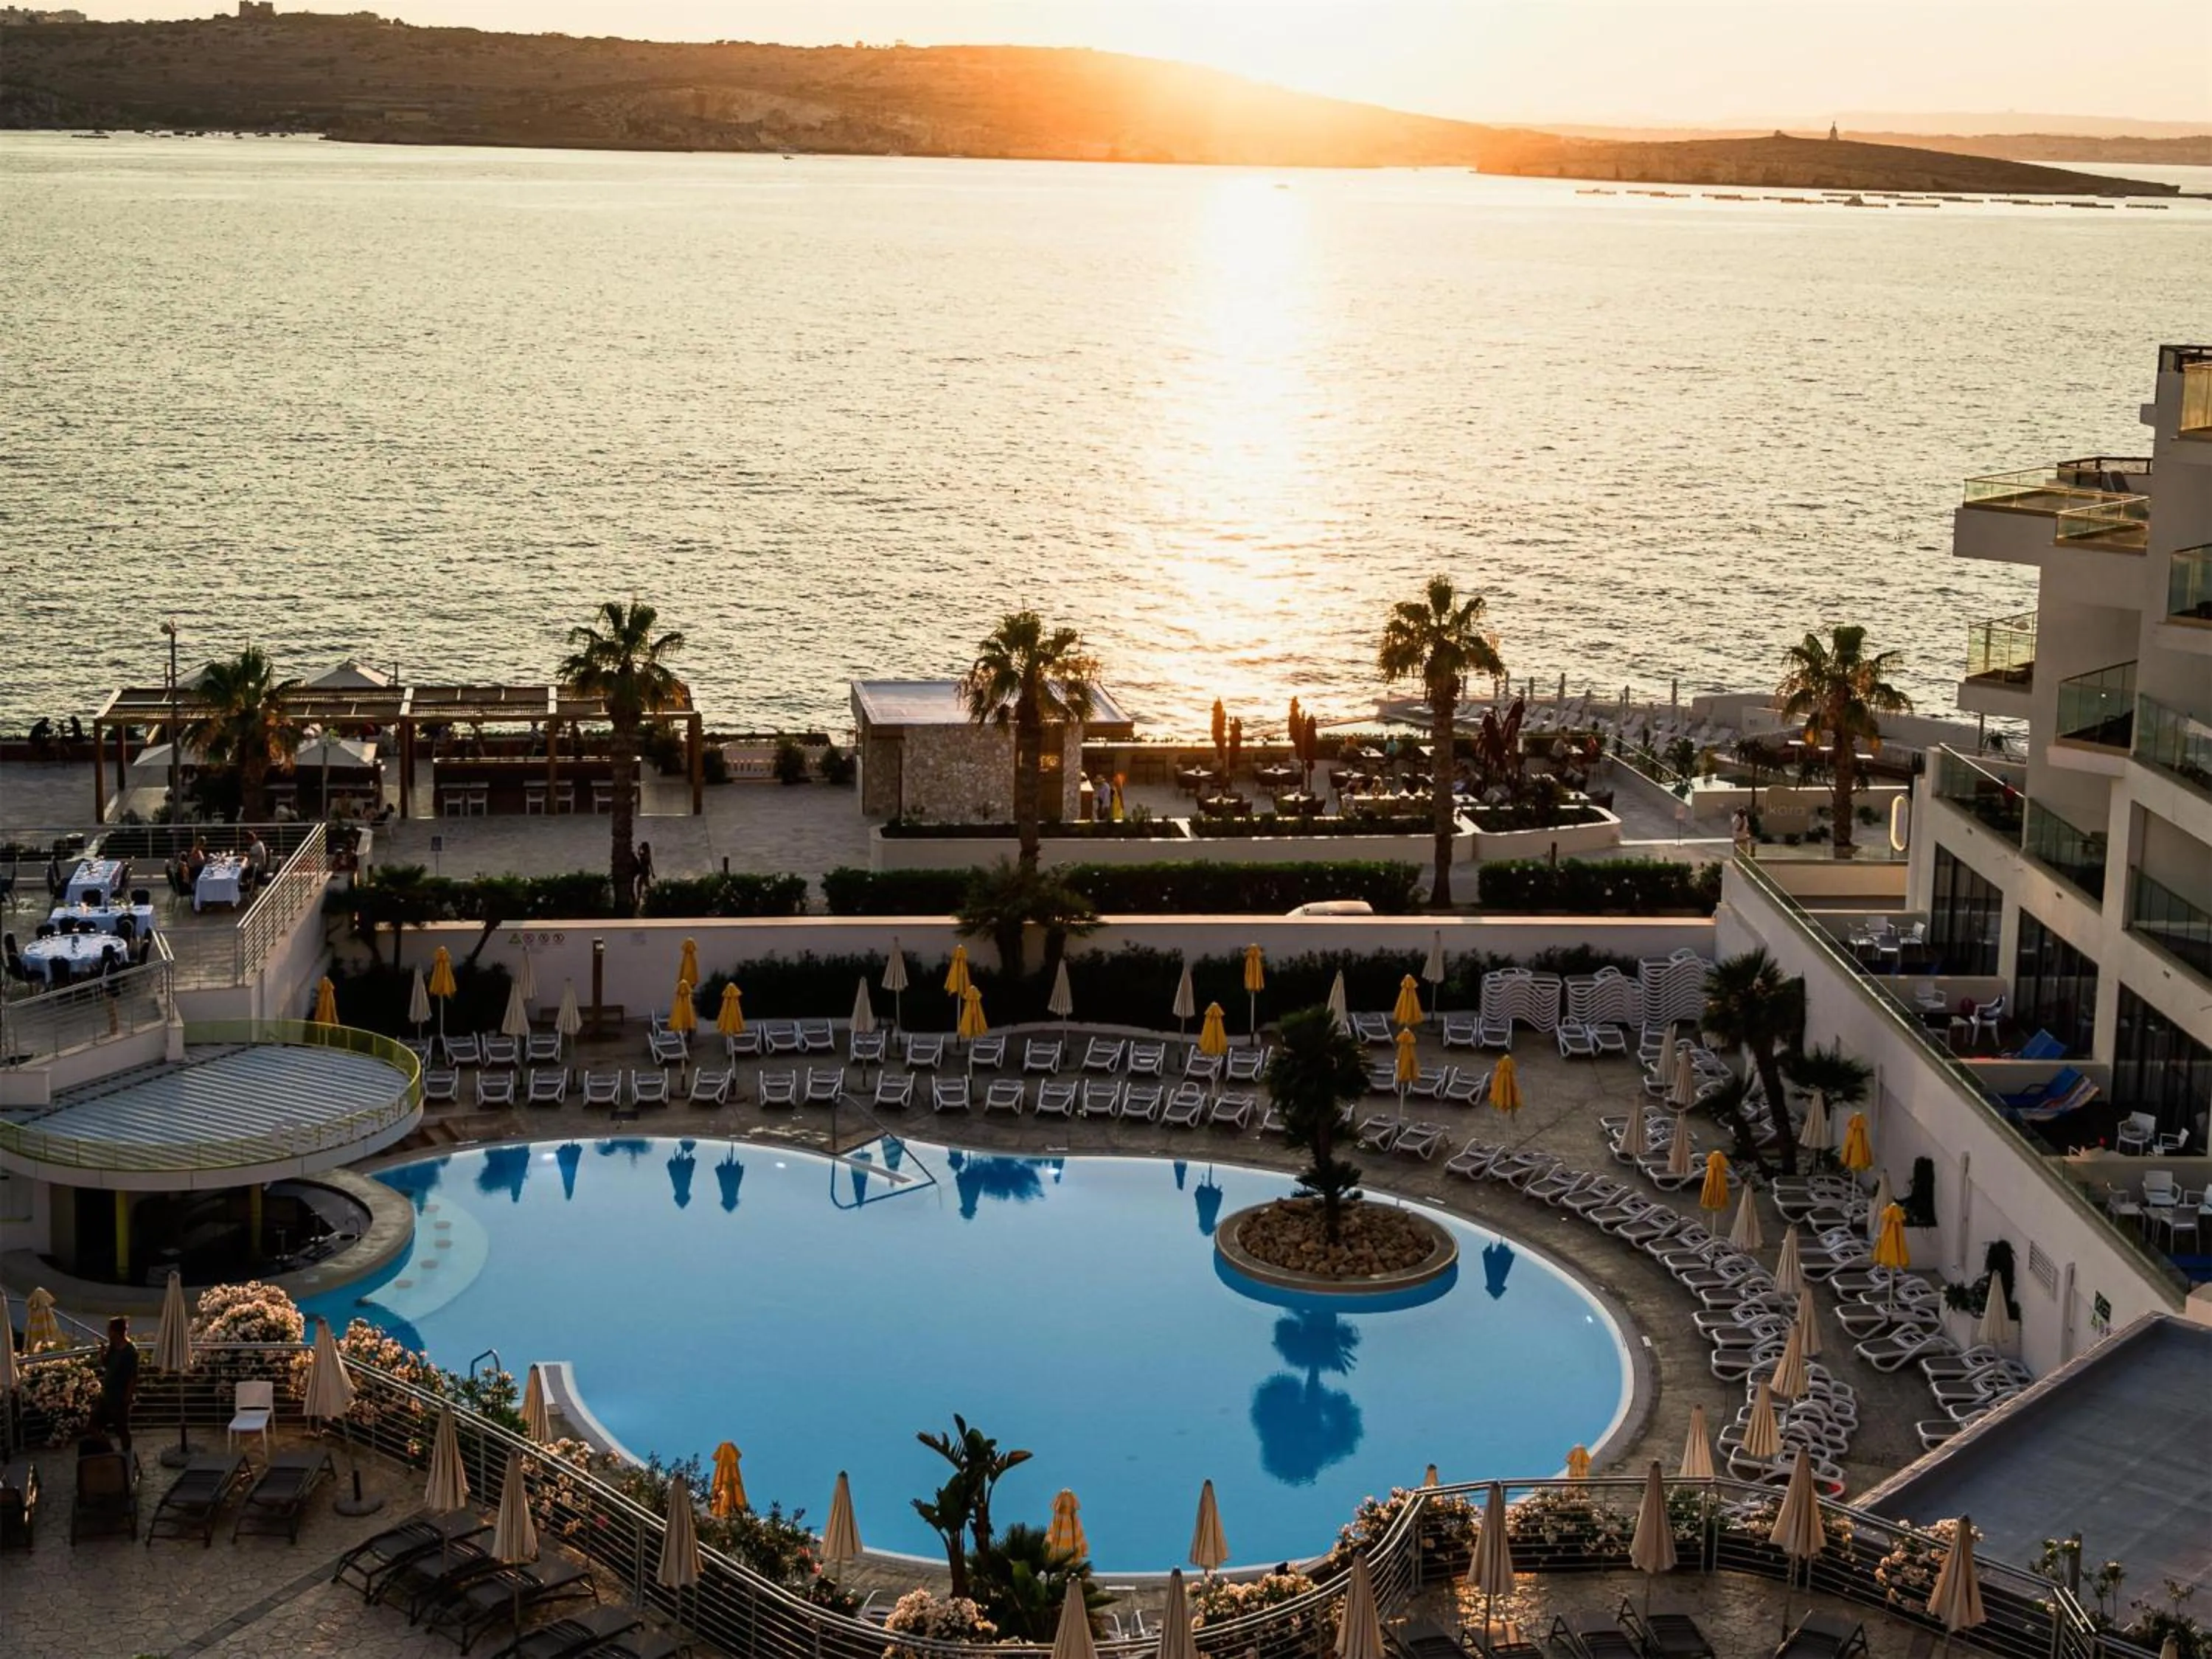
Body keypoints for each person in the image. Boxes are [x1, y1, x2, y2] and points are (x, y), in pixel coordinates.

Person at [98, 1316, 138, 1455]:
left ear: (116, 1332)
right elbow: (106, 1365)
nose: (108, 1332)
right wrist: (102, 1354)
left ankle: (127, 1457)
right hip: (106, 1395)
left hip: (120, 1398)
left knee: (122, 1430)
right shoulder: (113, 1347)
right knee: (93, 1426)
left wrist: (127, 1398)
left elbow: (133, 1377)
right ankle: (111, 1454)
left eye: (109, 1330)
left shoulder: (130, 1352)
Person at [633, 841, 655, 905]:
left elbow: (649, 864)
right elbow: (640, 855)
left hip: (644, 872)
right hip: (644, 872)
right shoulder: (646, 854)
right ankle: (640, 899)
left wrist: (652, 873)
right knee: (643, 885)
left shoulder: (646, 855)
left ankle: (640, 899)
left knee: (641, 885)